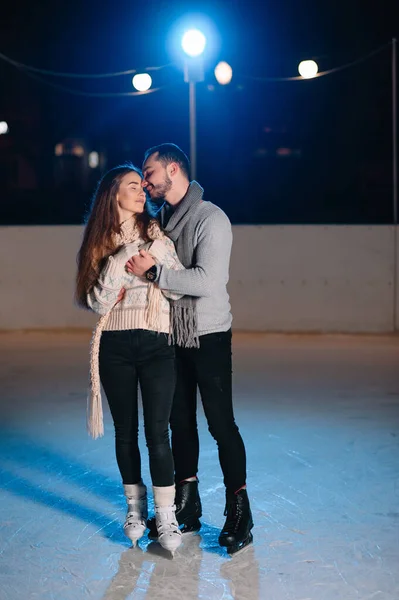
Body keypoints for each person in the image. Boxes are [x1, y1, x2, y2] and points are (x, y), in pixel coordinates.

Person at [126, 144, 253, 554]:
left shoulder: (210, 219)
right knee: (179, 422)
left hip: (209, 334)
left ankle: (240, 511)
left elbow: (206, 282)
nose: (146, 181)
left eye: (150, 172)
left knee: (220, 424)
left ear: (174, 168)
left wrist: (155, 273)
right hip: (171, 334)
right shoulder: (161, 222)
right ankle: (187, 504)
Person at [75, 163, 184, 556]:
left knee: (158, 432)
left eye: (143, 185)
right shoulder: (99, 244)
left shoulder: (159, 239)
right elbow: (99, 302)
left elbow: (176, 291)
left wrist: (150, 267)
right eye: (133, 186)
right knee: (126, 432)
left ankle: (166, 515)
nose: (142, 191)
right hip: (115, 346)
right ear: (113, 194)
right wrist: (120, 258)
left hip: (157, 342)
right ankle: (135, 510)